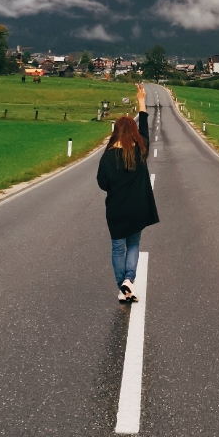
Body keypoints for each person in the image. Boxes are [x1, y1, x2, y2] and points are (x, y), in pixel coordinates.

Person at [96, 82, 160, 303]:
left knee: (117, 248)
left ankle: (122, 285)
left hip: (115, 210)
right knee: (133, 244)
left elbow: (102, 184)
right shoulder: (140, 149)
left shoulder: (107, 155)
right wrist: (141, 101)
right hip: (138, 208)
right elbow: (144, 127)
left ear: (115, 132)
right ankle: (128, 281)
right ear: (132, 132)